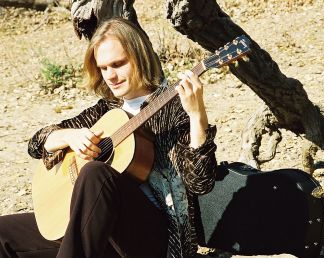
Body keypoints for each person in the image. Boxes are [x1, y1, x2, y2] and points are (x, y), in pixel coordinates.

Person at [0, 17, 217, 258]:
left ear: (140, 58)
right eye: (103, 68)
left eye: (118, 64)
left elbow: (201, 182)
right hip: (100, 234)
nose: (110, 76)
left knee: (95, 173)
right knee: (3, 233)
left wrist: (198, 117)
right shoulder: (105, 112)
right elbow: (36, 144)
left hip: (159, 241)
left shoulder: (174, 108)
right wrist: (70, 136)